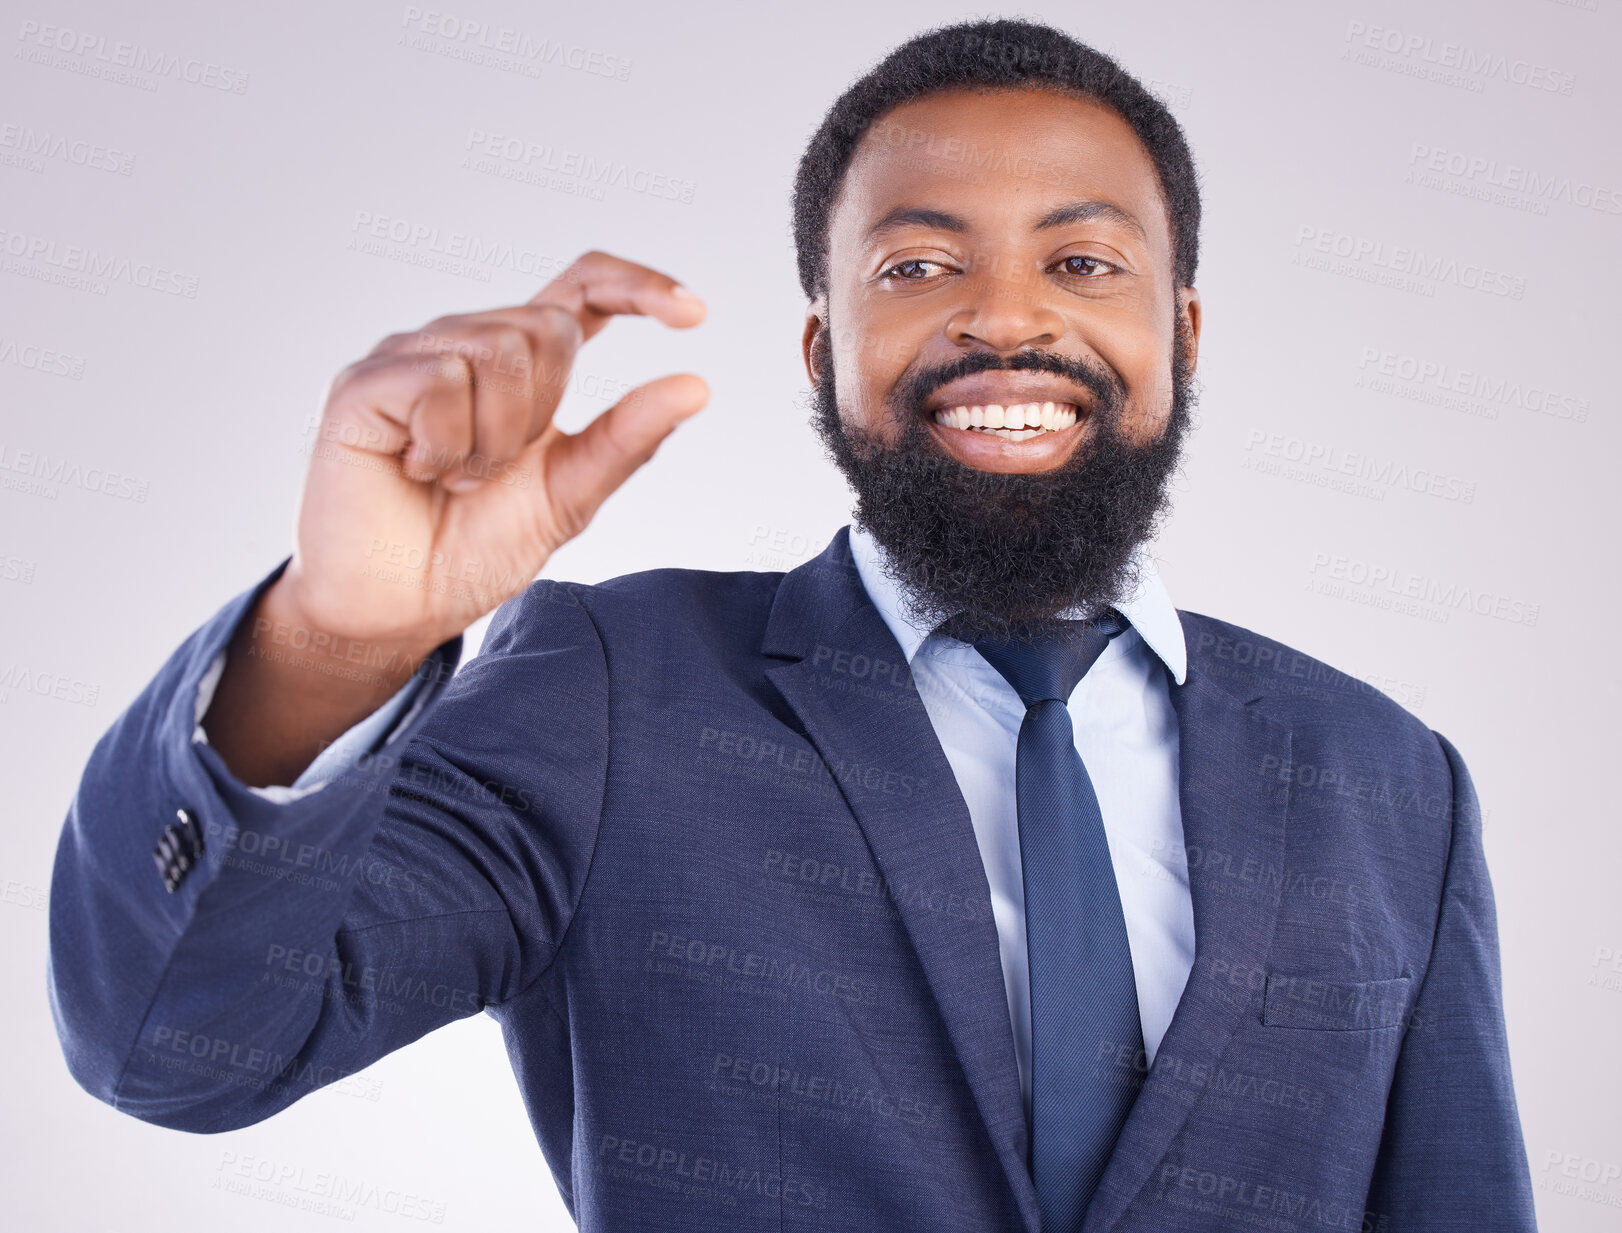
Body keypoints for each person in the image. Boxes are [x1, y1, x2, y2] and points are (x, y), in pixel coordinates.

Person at [47, 18, 1536, 1232]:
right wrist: (333, 639)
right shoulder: (613, 690)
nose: (1004, 317)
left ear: (1182, 332)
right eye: (916, 265)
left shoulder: (1387, 778)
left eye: (1082, 262)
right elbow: (177, 1049)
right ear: (824, 347)